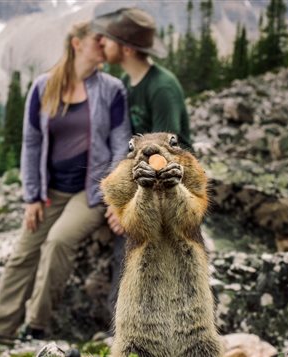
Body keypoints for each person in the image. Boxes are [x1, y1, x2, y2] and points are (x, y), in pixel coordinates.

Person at [0, 22, 131, 339]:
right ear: (77, 44)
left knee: (58, 241)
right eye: (97, 40)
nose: (105, 46)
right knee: (23, 252)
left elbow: (121, 145)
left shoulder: (111, 89)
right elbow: (31, 142)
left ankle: (36, 325)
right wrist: (32, 196)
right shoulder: (43, 87)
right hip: (50, 190)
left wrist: (117, 197)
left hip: (90, 191)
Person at [90, 7, 194, 316]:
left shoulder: (161, 88)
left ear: (126, 48)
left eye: (108, 39)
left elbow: (166, 156)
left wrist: (125, 209)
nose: (102, 43)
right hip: (141, 184)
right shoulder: (128, 82)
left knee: (130, 242)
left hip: (167, 189)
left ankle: (126, 325)